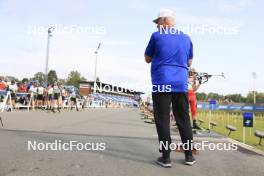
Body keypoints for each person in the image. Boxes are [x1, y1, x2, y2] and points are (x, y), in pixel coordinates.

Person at [144, 9, 196, 167]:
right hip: (180, 84)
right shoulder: (186, 38)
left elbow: (147, 58)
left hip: (162, 82)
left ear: (164, 21)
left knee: (163, 120)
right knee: (183, 119)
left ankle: (166, 158)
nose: (156, 27)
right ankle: (189, 156)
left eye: (157, 23)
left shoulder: (156, 36)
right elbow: (189, 63)